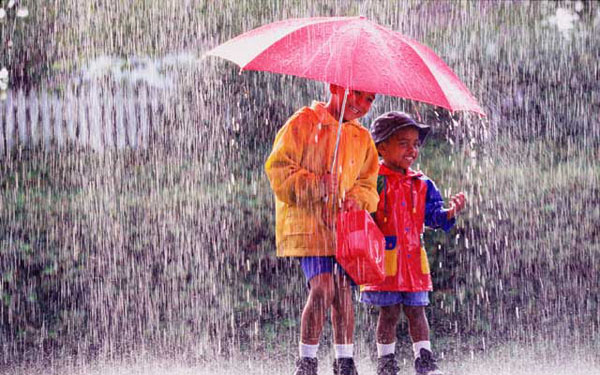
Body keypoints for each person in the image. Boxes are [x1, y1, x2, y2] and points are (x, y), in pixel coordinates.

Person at [264, 84, 380, 375]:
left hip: (345, 233)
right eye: (356, 93)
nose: (361, 104)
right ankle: (307, 361)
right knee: (323, 288)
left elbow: (368, 185)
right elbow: (278, 169)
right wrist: (314, 184)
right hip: (311, 228)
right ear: (334, 86)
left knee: (342, 293)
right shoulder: (303, 123)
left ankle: (344, 361)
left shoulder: (363, 138)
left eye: (369, 99)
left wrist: (356, 200)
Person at [360, 111, 467, 375]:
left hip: (413, 258)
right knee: (389, 312)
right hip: (385, 259)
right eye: (403, 143)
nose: (412, 149)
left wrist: (449, 213)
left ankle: (425, 361)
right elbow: (362, 216)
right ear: (382, 146)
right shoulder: (374, 181)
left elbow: (433, 216)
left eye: (416, 143)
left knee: (417, 310)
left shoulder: (422, 184)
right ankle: (386, 363)